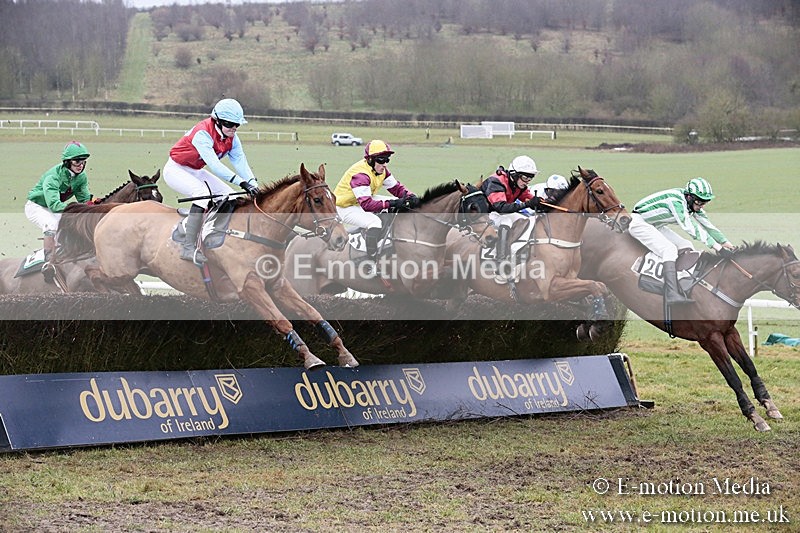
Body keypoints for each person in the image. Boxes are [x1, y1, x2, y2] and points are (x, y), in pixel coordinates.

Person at [164, 98, 260, 264]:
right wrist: (242, 183)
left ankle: (212, 233)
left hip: (195, 170)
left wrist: (253, 183)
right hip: (175, 170)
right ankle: (188, 247)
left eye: (237, 125)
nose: (234, 129)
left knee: (229, 196)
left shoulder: (233, 139)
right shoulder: (203, 133)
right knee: (202, 194)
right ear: (218, 121)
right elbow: (215, 166)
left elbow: (240, 162)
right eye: (230, 124)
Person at [628, 177, 736, 305]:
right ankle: (671, 293)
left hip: (655, 225)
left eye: (705, 202)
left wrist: (727, 244)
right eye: (699, 201)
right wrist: (718, 248)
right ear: (689, 197)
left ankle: (681, 282)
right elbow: (691, 227)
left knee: (686, 245)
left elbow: (708, 226)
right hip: (639, 223)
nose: (701, 205)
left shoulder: (692, 204)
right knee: (669, 249)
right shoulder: (676, 201)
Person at [333, 140, 419, 258]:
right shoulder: (361, 175)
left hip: (360, 200)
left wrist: (411, 196)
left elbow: (396, 188)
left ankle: (387, 240)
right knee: (375, 222)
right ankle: (371, 257)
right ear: (370, 160)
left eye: (387, 159)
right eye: (381, 160)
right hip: (345, 207)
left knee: (395, 203)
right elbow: (367, 205)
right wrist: (393, 203)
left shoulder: (381, 171)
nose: (385, 164)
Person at [25, 141, 94, 280]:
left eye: (83, 161)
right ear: (67, 162)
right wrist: (78, 209)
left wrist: (93, 205)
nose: (81, 165)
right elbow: (55, 206)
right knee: (52, 225)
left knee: (69, 226)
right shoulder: (53, 177)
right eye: (77, 161)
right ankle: (48, 262)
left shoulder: (81, 177)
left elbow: (85, 200)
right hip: (37, 207)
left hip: (54, 207)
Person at [480, 155, 542, 261]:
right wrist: (526, 204)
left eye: (530, 178)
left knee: (525, 220)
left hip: (500, 213)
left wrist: (542, 204)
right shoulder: (496, 182)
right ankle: (500, 258)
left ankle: (516, 250)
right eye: (525, 177)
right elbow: (500, 207)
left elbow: (528, 199)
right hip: (485, 215)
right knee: (506, 221)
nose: (528, 181)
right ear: (515, 175)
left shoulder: (518, 185)